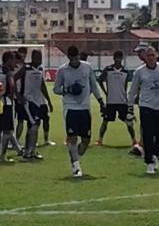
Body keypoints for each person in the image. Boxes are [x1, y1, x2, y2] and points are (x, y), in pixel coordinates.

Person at [53, 45, 105, 178]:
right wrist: (68, 90)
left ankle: (76, 157)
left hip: (84, 107)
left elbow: (93, 85)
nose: (75, 60)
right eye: (73, 58)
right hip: (70, 107)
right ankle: (76, 166)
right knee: (72, 138)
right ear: (69, 57)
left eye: (77, 57)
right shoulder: (63, 70)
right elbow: (56, 89)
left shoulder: (87, 67)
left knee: (86, 140)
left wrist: (101, 102)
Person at [128, 47, 159, 175]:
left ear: (156, 56)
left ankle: (151, 154)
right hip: (146, 106)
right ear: (145, 57)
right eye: (148, 55)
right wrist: (130, 108)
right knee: (148, 135)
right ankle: (149, 162)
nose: (150, 58)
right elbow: (133, 90)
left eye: (152, 55)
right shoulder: (139, 72)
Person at [96, 50, 137, 147]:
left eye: (120, 58)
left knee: (128, 121)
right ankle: (100, 140)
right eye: (117, 58)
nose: (118, 60)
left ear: (122, 59)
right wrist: (106, 92)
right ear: (114, 58)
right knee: (105, 121)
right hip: (111, 101)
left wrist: (125, 95)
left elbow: (126, 86)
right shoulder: (108, 69)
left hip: (122, 101)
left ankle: (134, 140)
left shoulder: (125, 71)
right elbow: (100, 80)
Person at [21, 49, 54, 160]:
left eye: (40, 57)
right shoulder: (26, 69)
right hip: (29, 101)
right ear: (32, 57)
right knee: (33, 126)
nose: (39, 60)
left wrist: (48, 101)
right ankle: (28, 151)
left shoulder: (40, 69)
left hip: (39, 101)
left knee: (34, 126)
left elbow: (42, 85)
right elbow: (14, 79)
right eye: (37, 57)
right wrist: (19, 95)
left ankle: (31, 150)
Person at [0, 51, 20, 163]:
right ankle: (2, 155)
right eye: (13, 60)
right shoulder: (8, 73)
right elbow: (11, 87)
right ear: (9, 60)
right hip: (6, 103)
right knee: (7, 130)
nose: (14, 62)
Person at [14, 47, 28, 145]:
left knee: (21, 120)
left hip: (22, 96)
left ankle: (17, 140)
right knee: (10, 120)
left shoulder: (26, 67)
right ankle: (9, 140)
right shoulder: (13, 67)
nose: (23, 56)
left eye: (24, 54)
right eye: (21, 54)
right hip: (13, 96)